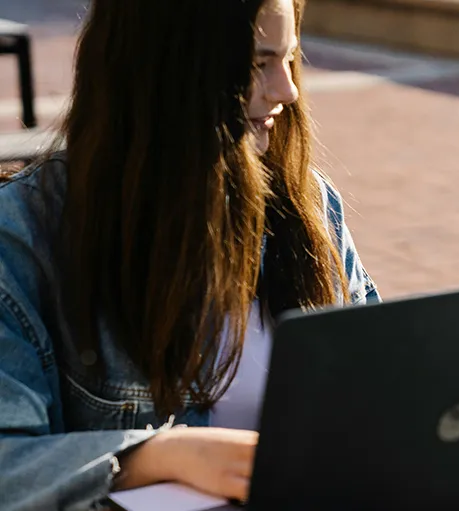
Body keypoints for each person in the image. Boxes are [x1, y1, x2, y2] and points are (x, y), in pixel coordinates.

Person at [0, 0, 379, 508]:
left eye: (289, 59)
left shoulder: (309, 204)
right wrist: (164, 455)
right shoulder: (25, 235)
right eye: (257, 64)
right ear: (167, 73)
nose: (287, 89)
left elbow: (383, 384)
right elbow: (9, 462)